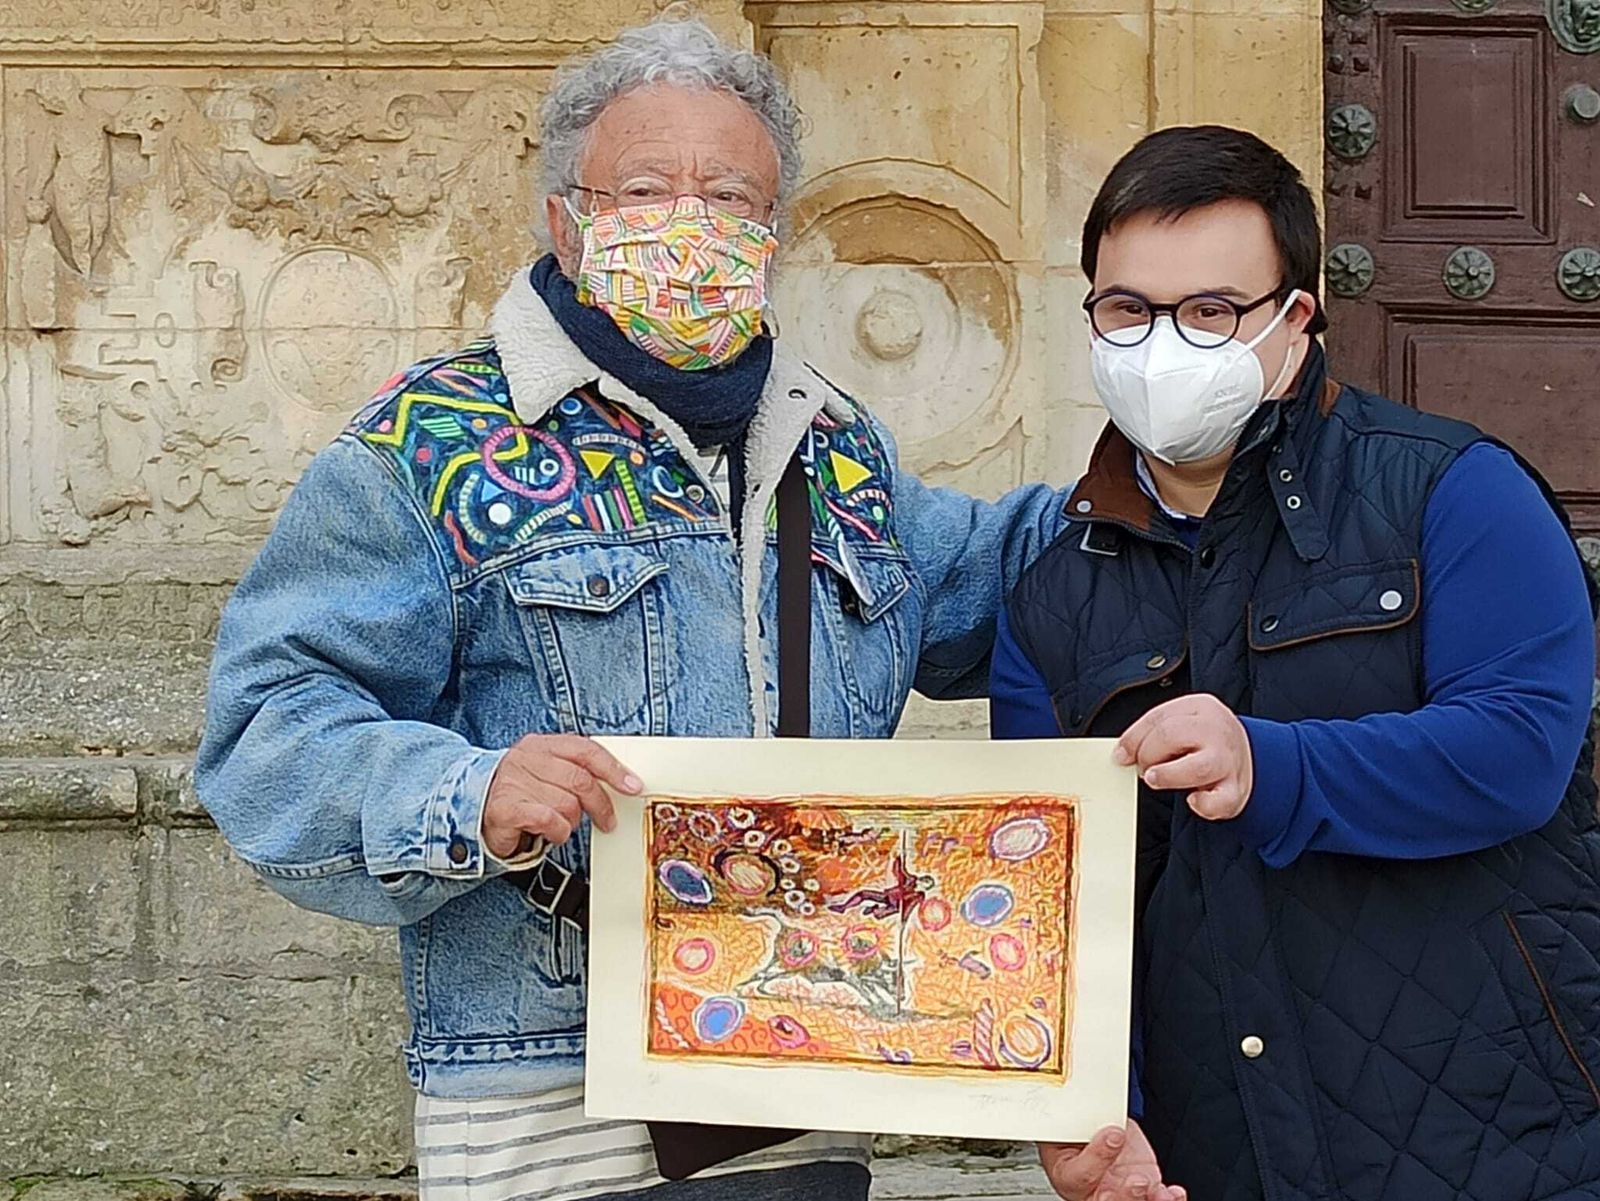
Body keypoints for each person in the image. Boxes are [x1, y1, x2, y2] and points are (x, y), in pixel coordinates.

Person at [198, 16, 1112, 1201]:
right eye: (643, 188)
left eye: (729, 196)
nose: (690, 223)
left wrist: (1174, 461)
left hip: (799, 1087)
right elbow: (266, 733)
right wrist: (468, 793)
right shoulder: (431, 447)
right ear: (565, 219)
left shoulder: (833, 448)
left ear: (773, 237)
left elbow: (1005, 580)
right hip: (547, 1101)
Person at [992, 124, 1600, 1201]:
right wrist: (1096, 1109)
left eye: (1211, 310)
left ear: (1292, 322)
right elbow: (1054, 900)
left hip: (1498, 1135)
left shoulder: (1454, 490)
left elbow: (1517, 750)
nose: (1161, 341)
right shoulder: (1049, 589)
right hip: (1221, 1151)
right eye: (1127, 309)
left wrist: (1270, 767)